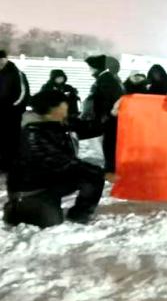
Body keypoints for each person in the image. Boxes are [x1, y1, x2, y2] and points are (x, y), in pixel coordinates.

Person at [3, 90, 106, 228]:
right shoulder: (33, 133)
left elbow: (92, 128)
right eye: (64, 104)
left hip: (49, 182)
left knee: (93, 175)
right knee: (48, 223)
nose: (67, 106)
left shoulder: (60, 124)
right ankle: (18, 209)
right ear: (52, 108)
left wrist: (113, 115)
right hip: (30, 191)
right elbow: (61, 161)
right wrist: (100, 172)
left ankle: (78, 215)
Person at [83, 54, 124, 174]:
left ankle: (110, 168)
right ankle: (110, 167)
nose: (90, 70)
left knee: (109, 144)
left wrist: (103, 117)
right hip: (109, 117)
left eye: (91, 68)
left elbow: (105, 100)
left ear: (96, 68)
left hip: (109, 118)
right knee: (109, 143)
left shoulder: (105, 80)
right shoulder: (108, 79)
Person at [0, 50, 30, 173]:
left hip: (11, 114)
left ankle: (10, 165)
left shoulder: (17, 74)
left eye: (2, 60)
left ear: (5, 59)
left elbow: (23, 94)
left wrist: (12, 108)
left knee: (11, 140)